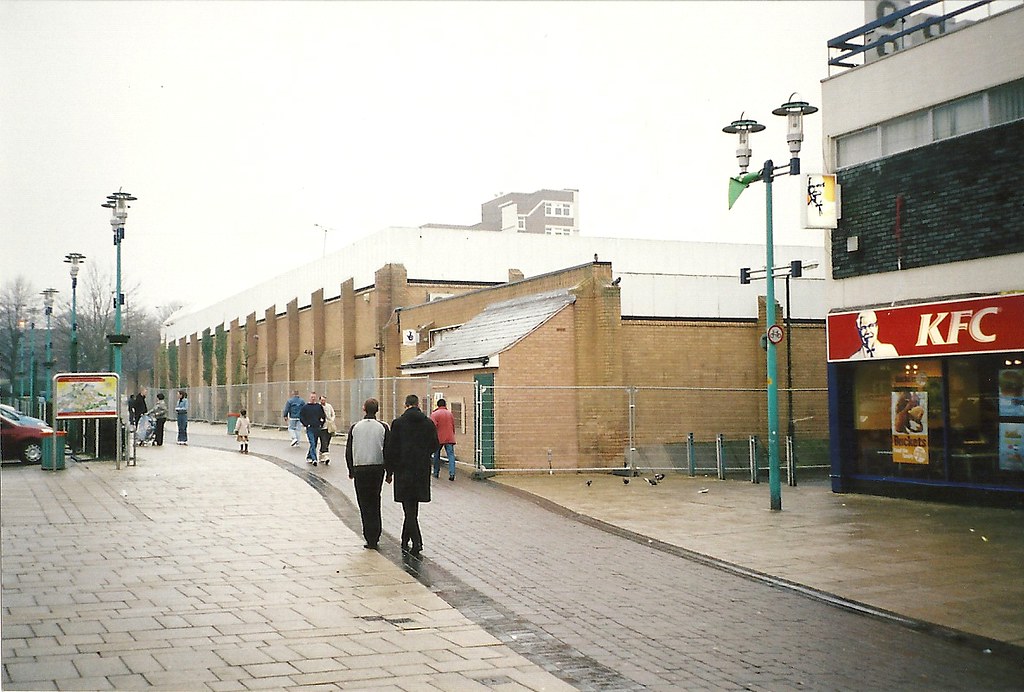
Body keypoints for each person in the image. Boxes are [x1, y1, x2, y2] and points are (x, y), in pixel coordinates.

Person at [384, 394, 438, 556]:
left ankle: (417, 541)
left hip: (403, 470)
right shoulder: (428, 423)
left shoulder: (398, 424)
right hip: (421, 470)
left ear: (406, 405)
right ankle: (405, 538)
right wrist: (424, 455)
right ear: (418, 404)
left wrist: (389, 471)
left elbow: (391, 449)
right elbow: (435, 444)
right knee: (413, 508)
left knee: (408, 508)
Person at [345, 398, 390, 549]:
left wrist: (351, 469)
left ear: (364, 409)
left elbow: (349, 450)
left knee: (363, 503)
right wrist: (389, 472)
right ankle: (376, 534)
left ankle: (368, 536)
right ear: (377, 410)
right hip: (377, 468)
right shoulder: (383, 427)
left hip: (360, 469)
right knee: (375, 500)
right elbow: (388, 450)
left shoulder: (355, 427)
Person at [430, 398, 457, 481]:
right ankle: (452, 473)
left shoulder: (434, 414)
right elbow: (453, 425)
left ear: (437, 405)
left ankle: (436, 472)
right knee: (451, 455)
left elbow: (432, 427)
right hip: (449, 437)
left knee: (436, 455)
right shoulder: (450, 414)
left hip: (438, 438)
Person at [299, 391, 326, 465]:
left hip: (317, 427)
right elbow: (301, 416)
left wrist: (321, 423)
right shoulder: (305, 407)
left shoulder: (318, 407)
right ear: (309, 397)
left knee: (314, 443)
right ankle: (314, 459)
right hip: (310, 428)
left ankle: (309, 456)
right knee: (312, 442)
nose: (313, 398)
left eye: (314, 397)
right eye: (312, 397)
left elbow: (323, 416)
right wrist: (306, 424)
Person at [318, 394, 336, 464]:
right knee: (324, 441)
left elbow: (333, 413)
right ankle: (326, 456)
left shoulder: (329, 406)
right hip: (322, 427)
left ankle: (321, 454)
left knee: (328, 440)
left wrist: (332, 419)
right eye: (322, 400)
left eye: (324, 400)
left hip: (329, 426)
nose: (323, 401)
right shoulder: (319, 407)